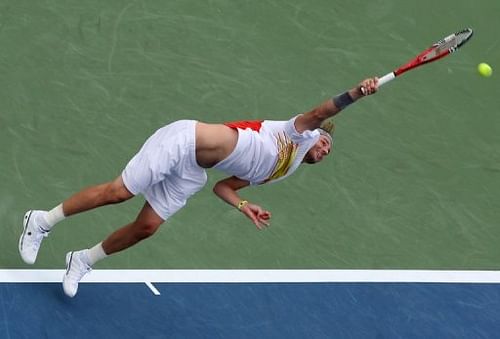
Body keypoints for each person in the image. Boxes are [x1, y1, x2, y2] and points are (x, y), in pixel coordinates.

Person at [19, 77, 379, 297]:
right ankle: (42, 221)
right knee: (119, 193)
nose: (324, 150)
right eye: (324, 144)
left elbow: (223, 187)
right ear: (315, 135)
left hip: (194, 170)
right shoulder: (297, 131)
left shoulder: (282, 170)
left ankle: (83, 259)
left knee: (146, 227)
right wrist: (357, 93)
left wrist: (243, 205)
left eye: (328, 152)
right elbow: (324, 110)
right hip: (182, 141)